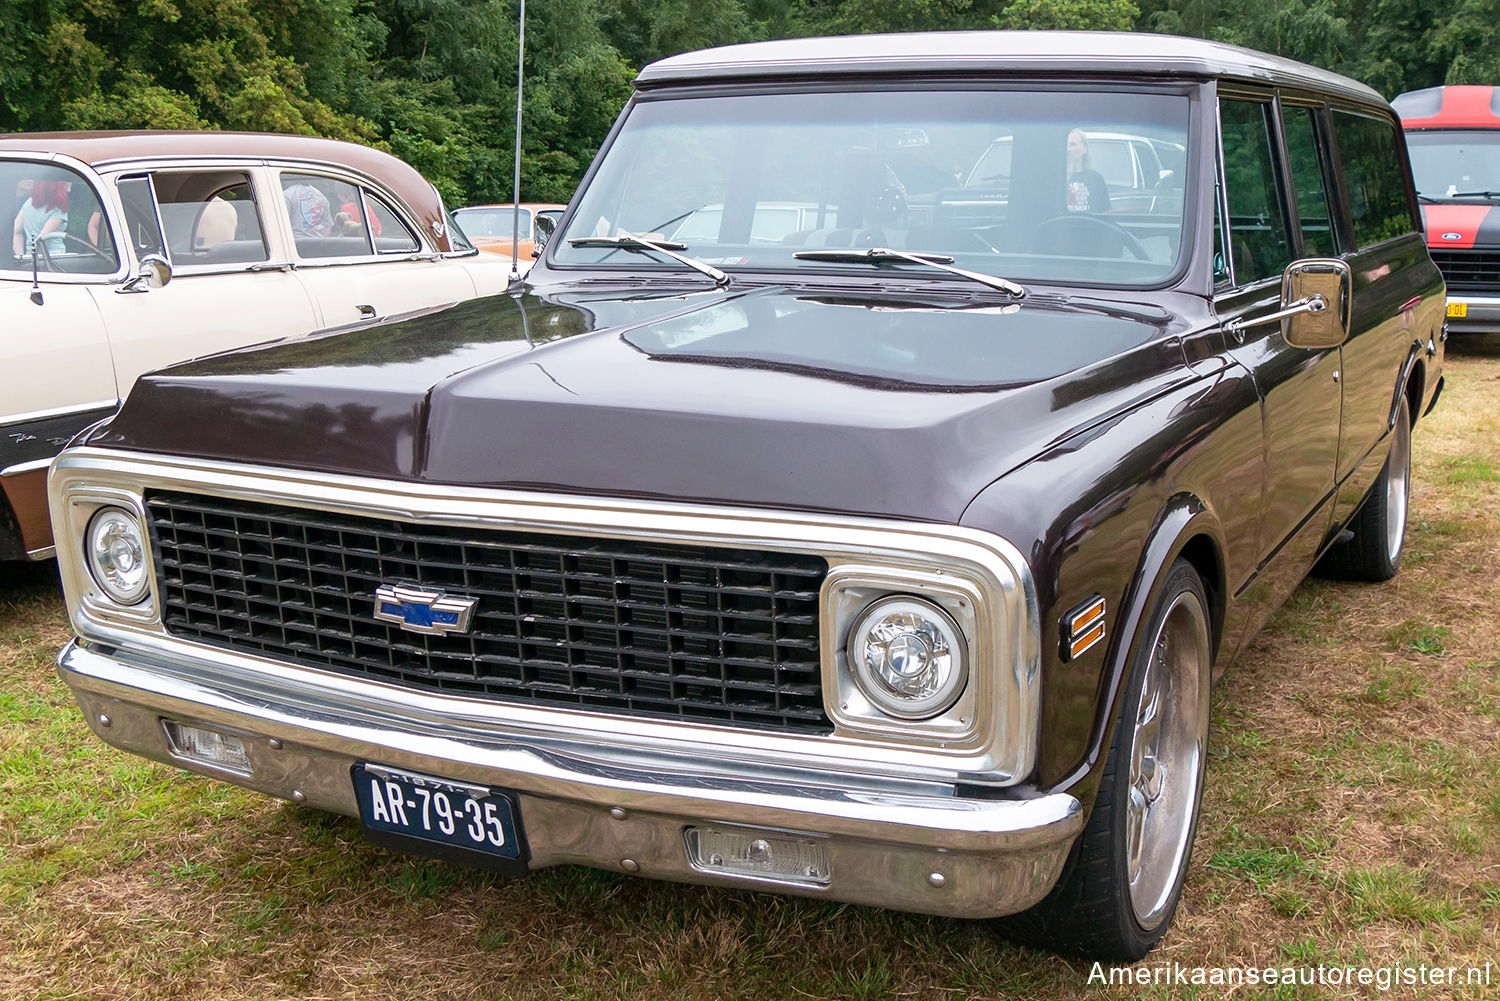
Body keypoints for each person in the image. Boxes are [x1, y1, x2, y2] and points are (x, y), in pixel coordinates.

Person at [12, 178, 69, 258]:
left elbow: (16, 231)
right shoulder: (58, 207)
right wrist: (31, 257)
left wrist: (21, 257)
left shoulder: (29, 202)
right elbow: (42, 240)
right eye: (67, 180)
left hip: (31, 258)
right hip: (54, 258)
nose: (70, 183)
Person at [1065, 129, 1111, 214]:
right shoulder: (1056, 179)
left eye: (1073, 144)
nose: (1068, 149)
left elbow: (1105, 213)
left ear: (1084, 149)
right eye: (1066, 144)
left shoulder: (1096, 179)